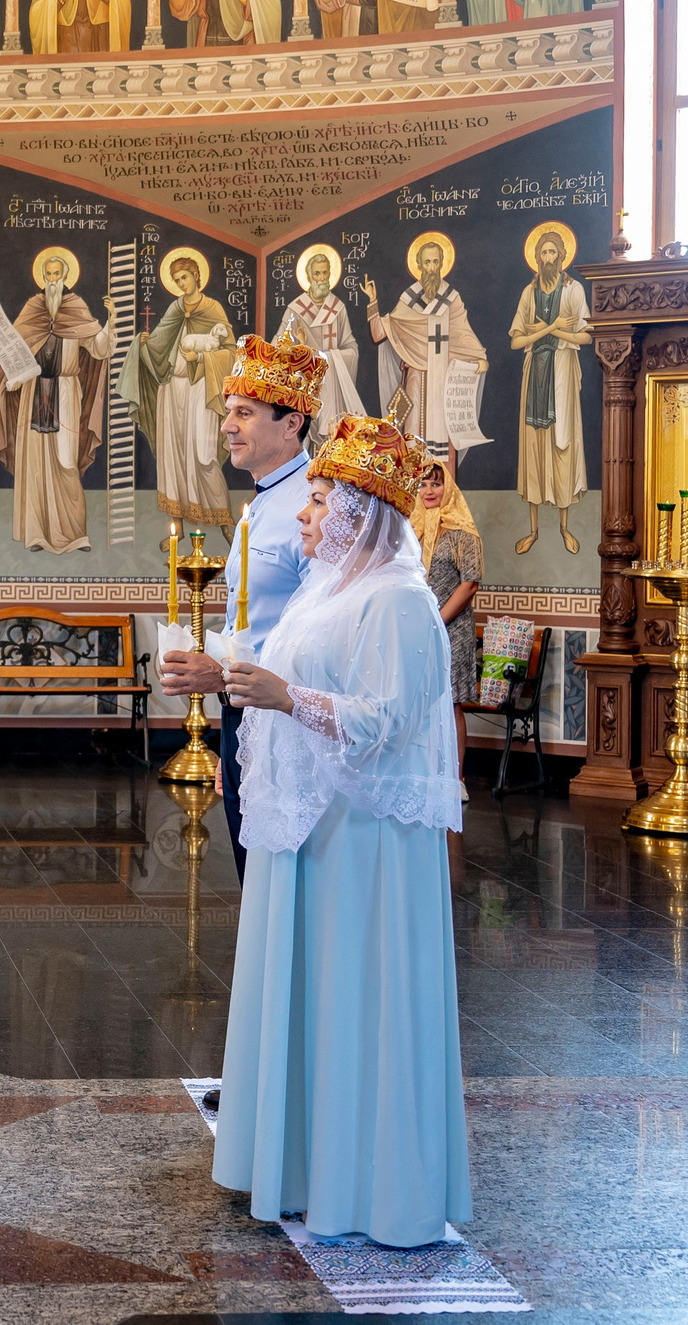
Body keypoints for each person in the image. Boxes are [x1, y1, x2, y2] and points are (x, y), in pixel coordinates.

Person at [215, 413, 471, 1248]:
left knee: (360, 1004)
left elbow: (387, 720)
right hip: (316, 830)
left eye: (322, 501)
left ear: (362, 515)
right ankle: (302, 1166)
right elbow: (289, 679)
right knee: (317, 1003)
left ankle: (366, 1184)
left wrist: (284, 697)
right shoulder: (329, 591)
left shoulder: (398, 599)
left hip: (367, 844)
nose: (307, 513)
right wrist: (233, 691)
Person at [159, 332, 324, 885]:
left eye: (244, 413)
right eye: (228, 411)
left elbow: (318, 637)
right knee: (255, 881)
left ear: (292, 422)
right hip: (248, 716)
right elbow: (254, 623)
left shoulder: (315, 505)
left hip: (290, 723)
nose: (227, 425)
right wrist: (236, 737)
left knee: (281, 883)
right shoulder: (262, 501)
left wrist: (222, 674)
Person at [0, 249, 113, 554]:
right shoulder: (33, 309)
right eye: (48, 275)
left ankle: (75, 534)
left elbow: (99, 349)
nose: (52, 279)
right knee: (35, 464)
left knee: (66, 461)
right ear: (43, 277)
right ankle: (37, 535)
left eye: (57, 274)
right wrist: (14, 378)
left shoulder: (76, 309)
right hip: (33, 391)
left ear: (65, 276)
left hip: (66, 392)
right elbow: (16, 353)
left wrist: (111, 322)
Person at [121, 252, 233, 526]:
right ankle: (177, 527)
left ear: (196, 275)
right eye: (177, 280)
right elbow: (159, 342)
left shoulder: (213, 309)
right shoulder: (175, 308)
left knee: (204, 456)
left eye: (185, 277)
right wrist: (142, 345)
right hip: (172, 389)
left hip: (201, 388)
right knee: (173, 457)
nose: (182, 284)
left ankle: (224, 521)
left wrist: (201, 358)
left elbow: (231, 353)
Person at [507, 226, 588, 554]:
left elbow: (586, 335)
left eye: (553, 252)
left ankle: (565, 527)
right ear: (537, 258)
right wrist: (554, 326)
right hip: (535, 378)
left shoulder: (573, 290)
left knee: (561, 445)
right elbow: (516, 342)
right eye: (543, 252)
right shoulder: (529, 294)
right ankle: (533, 530)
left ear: (562, 256)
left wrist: (546, 330)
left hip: (561, 375)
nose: (548, 258)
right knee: (534, 449)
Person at [363, 238, 486, 450]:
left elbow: (463, 333)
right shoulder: (409, 298)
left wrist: (478, 357)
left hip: (444, 375)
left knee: (443, 431)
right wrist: (372, 301)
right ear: (419, 265)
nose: (431, 268)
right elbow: (379, 333)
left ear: (442, 264)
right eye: (427, 262)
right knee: (414, 429)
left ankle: (441, 472)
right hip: (416, 375)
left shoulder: (452, 298)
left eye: (435, 262)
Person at [415, 446, 481, 756]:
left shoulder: (462, 531)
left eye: (436, 484)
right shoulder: (410, 529)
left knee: (449, 702)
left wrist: (436, 622)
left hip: (451, 629)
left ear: (448, 488)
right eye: (422, 484)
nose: (429, 491)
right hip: (415, 628)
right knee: (416, 702)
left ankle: (457, 777)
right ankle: (423, 773)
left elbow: (470, 584)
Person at [273, 248, 364, 447]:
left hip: (331, 383)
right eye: (317, 273)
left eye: (325, 273)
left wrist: (328, 358)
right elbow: (278, 348)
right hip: (304, 383)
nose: (321, 278)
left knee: (331, 438)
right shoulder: (295, 310)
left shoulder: (337, 308)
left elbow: (351, 348)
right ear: (309, 276)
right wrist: (299, 347)